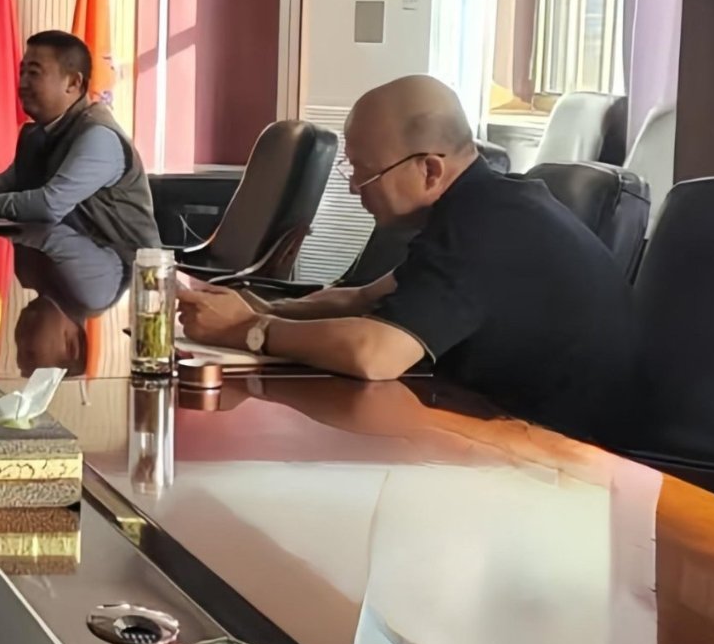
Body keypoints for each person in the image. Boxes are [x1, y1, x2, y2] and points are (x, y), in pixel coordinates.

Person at [176, 74, 639, 444]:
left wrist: (248, 331)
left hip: (563, 460)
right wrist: (260, 306)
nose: (354, 188)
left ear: (430, 169)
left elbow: (375, 354)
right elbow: (361, 297)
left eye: (363, 172)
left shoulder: (486, 226)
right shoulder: (485, 205)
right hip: (502, 433)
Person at [0, 30, 160, 314]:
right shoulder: (39, 132)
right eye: (22, 72)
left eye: (34, 73)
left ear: (73, 83)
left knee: (43, 229)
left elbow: (49, 206)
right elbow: (14, 179)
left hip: (123, 273)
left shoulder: (98, 136)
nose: (22, 83)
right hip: (71, 262)